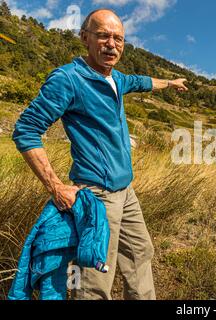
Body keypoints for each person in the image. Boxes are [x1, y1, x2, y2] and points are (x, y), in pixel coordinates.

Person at [12, 8, 188, 300]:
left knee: (141, 254)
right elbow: (26, 130)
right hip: (97, 196)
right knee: (95, 279)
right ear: (85, 38)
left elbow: (141, 81)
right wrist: (55, 187)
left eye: (118, 38)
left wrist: (169, 83)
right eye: (103, 36)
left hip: (126, 192)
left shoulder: (116, 79)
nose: (111, 44)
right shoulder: (68, 79)